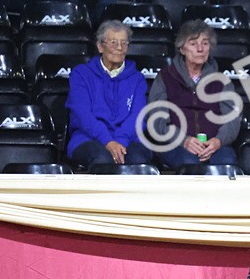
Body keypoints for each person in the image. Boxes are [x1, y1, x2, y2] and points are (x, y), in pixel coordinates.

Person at [147, 20, 240, 170]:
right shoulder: (165, 77)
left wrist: (218, 141)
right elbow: (157, 121)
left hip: (214, 146)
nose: (200, 49)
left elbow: (232, 119)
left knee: (226, 161)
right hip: (176, 145)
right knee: (190, 164)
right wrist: (184, 140)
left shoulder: (221, 80)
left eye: (205, 43)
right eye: (193, 43)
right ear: (182, 49)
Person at [65, 20, 156, 169]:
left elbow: (138, 116)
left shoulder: (137, 78)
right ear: (100, 46)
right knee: (103, 160)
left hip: (129, 139)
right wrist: (108, 141)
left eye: (124, 43)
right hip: (88, 138)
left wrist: (120, 141)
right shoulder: (81, 74)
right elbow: (83, 115)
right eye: (113, 42)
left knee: (138, 160)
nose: (119, 48)